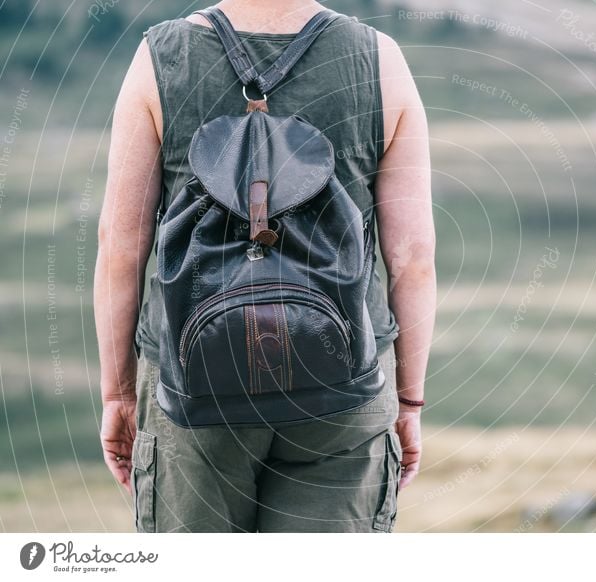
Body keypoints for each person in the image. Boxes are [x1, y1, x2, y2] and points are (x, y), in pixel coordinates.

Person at [94, 0, 435, 532]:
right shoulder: (380, 60)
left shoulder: (161, 58)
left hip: (191, 382)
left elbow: (120, 245)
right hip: (346, 380)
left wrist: (117, 392)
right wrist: (409, 399)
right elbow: (413, 258)